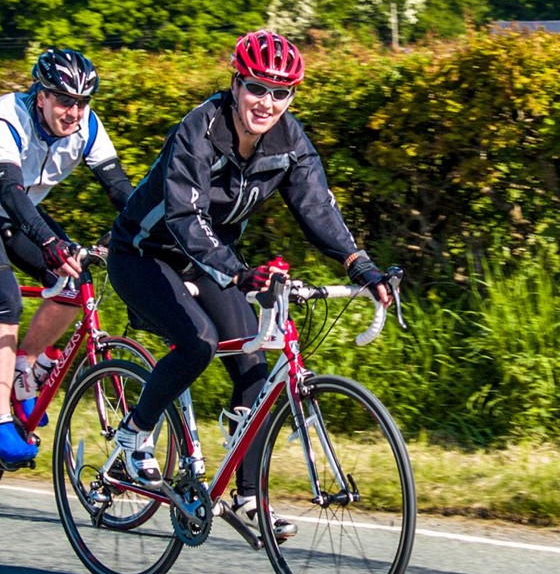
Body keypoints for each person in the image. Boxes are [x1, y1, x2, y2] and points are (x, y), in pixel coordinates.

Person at [106, 30, 392, 539]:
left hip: (208, 260)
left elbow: (316, 206)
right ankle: (134, 434)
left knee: (255, 361)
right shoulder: (199, 128)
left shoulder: (289, 141)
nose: (268, 102)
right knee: (198, 343)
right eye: (257, 88)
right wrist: (239, 273)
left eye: (281, 93)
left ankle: (246, 498)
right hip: (144, 253)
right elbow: (185, 217)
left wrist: (358, 263)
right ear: (236, 84)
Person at [0, 48, 134, 465]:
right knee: (5, 298)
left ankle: (22, 366)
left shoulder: (88, 128)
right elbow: (9, 190)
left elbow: (118, 188)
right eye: (64, 100)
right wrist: (48, 242)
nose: (74, 112)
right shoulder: (6, 118)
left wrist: (148, 230)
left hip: (16, 212)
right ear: (40, 96)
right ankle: (0, 423)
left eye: (82, 102)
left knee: (74, 281)